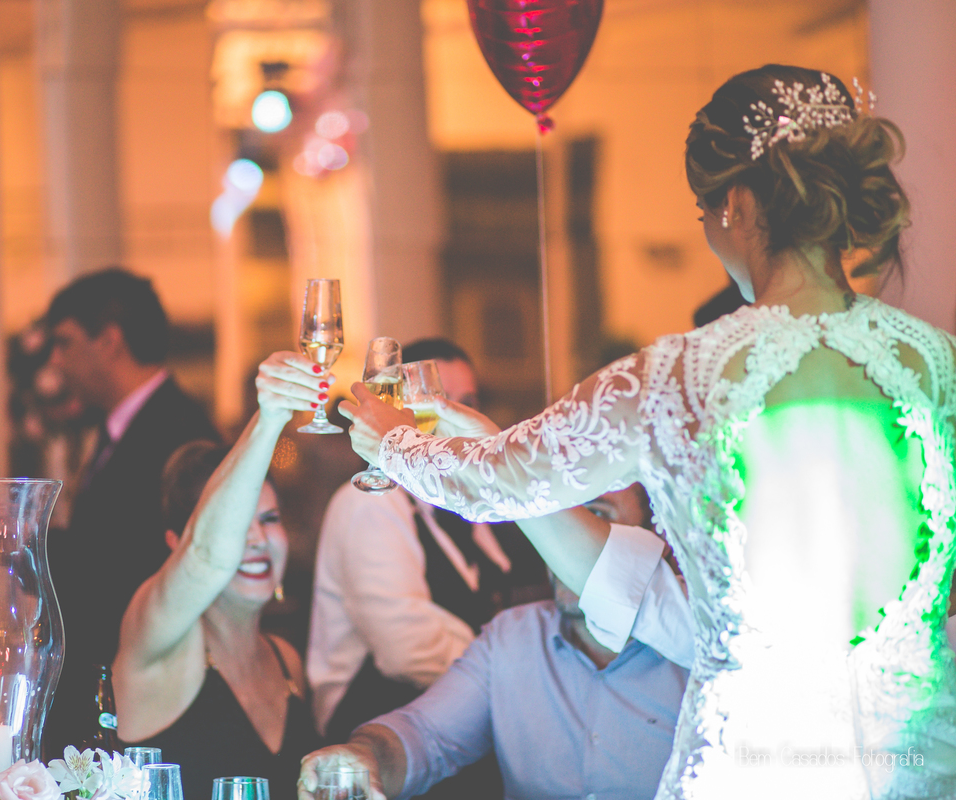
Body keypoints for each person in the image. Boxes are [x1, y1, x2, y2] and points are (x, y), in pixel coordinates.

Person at [342, 65, 956, 798]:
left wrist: (392, 440)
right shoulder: (937, 365)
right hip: (918, 765)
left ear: (733, 204)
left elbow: (493, 485)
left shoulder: (680, 375)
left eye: (702, 213)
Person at [299, 485, 688, 800]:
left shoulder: (698, 649)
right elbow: (424, 734)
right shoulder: (511, 638)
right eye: (556, 516)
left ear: (661, 541)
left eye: (597, 514)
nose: (562, 539)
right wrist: (365, 754)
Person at [307, 339, 549, 746]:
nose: (450, 417)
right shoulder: (370, 504)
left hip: (461, 721)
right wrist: (509, 674)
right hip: (372, 725)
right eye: (435, 401)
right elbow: (406, 650)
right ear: (398, 407)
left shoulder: (465, 501)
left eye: (465, 403)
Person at [112, 351, 329, 800]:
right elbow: (207, 554)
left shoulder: (286, 661)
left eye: (269, 519)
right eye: (238, 524)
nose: (257, 539)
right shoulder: (157, 644)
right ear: (176, 545)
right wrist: (269, 419)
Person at [43, 267, 219, 754]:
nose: (55, 360)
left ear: (109, 341)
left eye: (64, 342)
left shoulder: (180, 434)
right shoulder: (119, 427)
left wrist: (29, 544)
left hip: (152, 694)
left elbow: (132, 557)